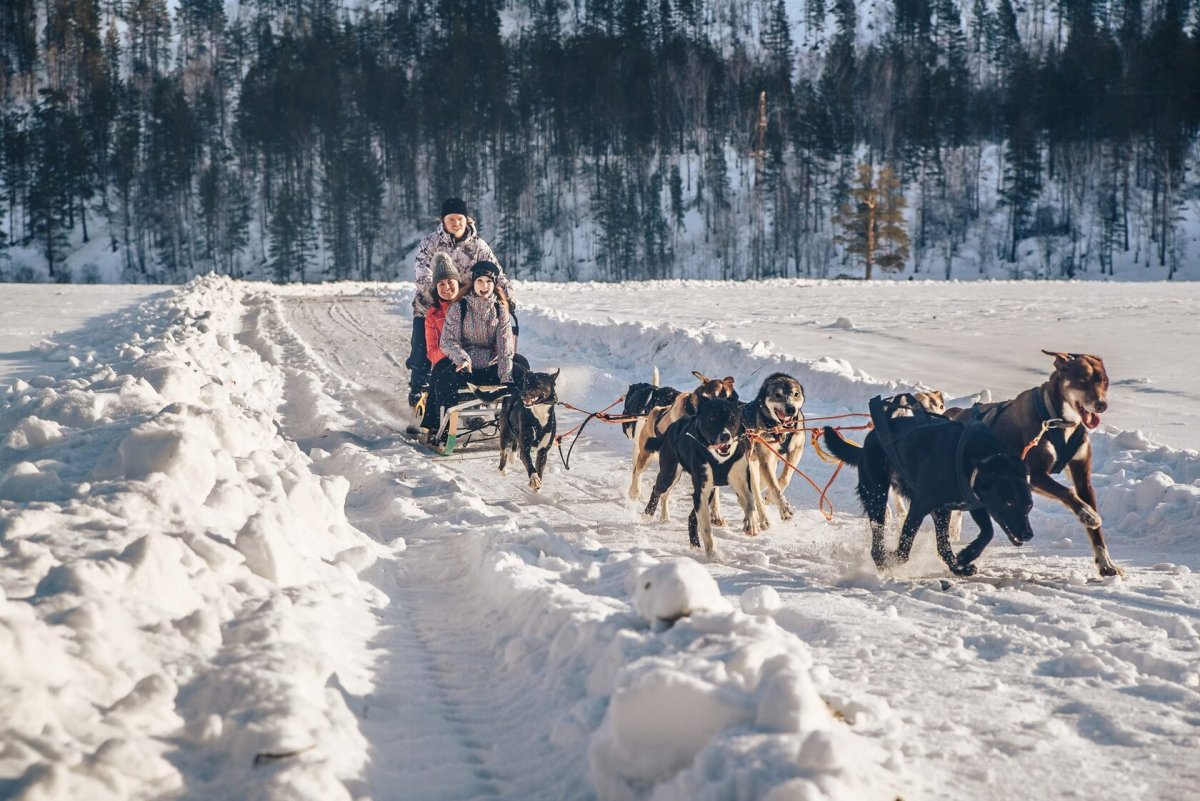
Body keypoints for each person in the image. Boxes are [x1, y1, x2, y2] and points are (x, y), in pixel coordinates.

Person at [406, 198, 515, 408]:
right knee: (422, 350)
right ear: (443, 221)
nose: (456, 223)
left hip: (464, 306)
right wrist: (437, 290)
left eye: (459, 218)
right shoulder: (431, 242)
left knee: (467, 348)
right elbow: (421, 270)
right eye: (451, 219)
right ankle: (418, 389)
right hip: (431, 304)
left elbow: (495, 271)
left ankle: (470, 388)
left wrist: (508, 295)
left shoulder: (478, 245)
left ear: (466, 220)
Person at [424, 261, 522, 443]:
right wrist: (462, 359)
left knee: (521, 371)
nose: (484, 286)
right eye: (480, 281)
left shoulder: (500, 310)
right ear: (473, 283)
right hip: (465, 367)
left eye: (488, 282)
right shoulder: (459, 307)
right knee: (444, 379)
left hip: (490, 366)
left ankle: (518, 424)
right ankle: (443, 430)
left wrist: (506, 377)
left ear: (494, 285)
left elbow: (505, 345)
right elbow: (448, 340)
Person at [416, 254, 464, 434]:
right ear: (436, 288)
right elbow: (432, 352)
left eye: (450, 282)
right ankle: (436, 424)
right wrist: (453, 353)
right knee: (441, 370)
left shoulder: (469, 305)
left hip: (473, 359)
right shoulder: (434, 315)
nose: (446, 287)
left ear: (458, 283)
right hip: (447, 362)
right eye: (441, 284)